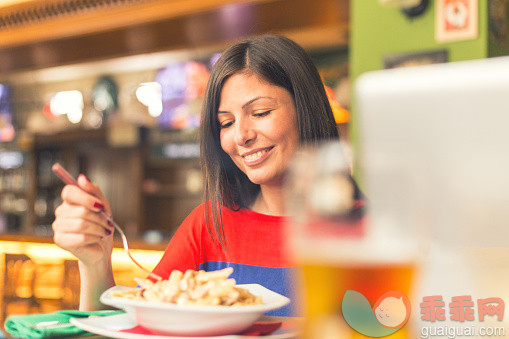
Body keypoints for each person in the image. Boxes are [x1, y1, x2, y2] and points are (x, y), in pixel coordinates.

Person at [52, 34, 365, 317]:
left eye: (260, 113)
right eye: (226, 123)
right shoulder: (209, 227)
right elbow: (131, 326)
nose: (240, 136)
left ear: (306, 108)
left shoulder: (373, 230)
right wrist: (95, 262)